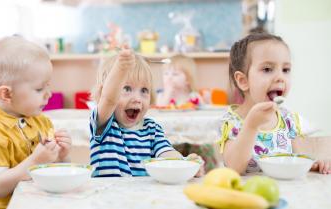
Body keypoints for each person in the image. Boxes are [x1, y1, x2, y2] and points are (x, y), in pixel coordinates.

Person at [0, 36, 72, 209]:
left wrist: (62, 156)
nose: (49, 94)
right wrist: (34, 162)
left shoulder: (42, 122)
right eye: (39, 89)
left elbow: (54, 171)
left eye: (48, 85)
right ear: (7, 95)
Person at [217, 32, 331, 174]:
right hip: (246, 194)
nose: (280, 77)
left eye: (285, 70)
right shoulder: (231, 123)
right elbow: (234, 168)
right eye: (267, 69)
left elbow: (301, 160)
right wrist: (251, 126)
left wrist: (315, 164)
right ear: (243, 81)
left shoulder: (288, 120)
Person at [90, 46, 204, 177]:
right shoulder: (103, 124)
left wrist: (185, 164)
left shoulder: (152, 129)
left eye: (144, 90)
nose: (137, 99)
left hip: (142, 196)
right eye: (126, 89)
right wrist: (120, 69)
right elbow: (109, 99)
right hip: (106, 195)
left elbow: (167, 153)